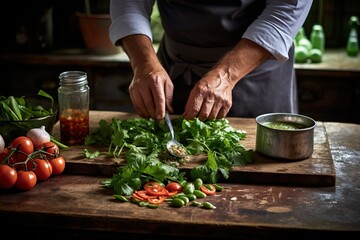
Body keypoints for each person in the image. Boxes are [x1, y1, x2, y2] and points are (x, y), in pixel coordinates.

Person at [109, 0, 313, 121]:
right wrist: (144, 63)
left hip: (255, 72)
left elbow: (286, 8)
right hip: (174, 66)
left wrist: (226, 75)